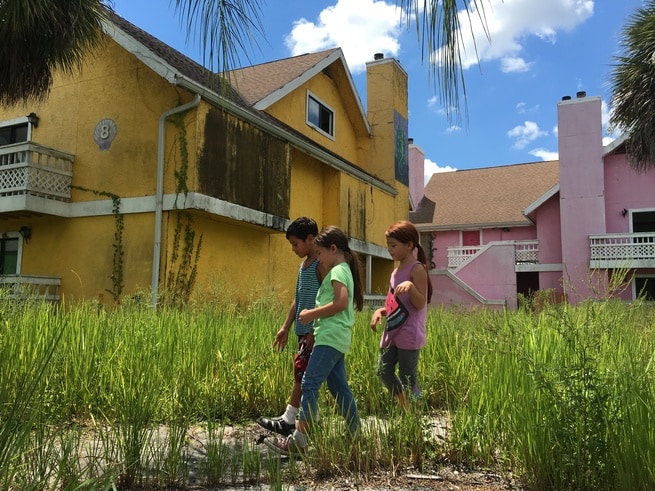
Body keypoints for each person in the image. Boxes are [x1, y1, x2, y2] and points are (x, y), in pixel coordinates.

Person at [265, 225, 364, 455]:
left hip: (330, 336)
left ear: (333, 249)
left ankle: (298, 441)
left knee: (309, 383)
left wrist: (311, 314)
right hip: (335, 336)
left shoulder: (338, 271)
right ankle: (355, 434)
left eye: (320, 253)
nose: (318, 258)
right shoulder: (343, 270)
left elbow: (340, 303)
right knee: (338, 386)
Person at [256, 217, 326, 436]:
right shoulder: (302, 266)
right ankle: (312, 420)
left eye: (296, 244)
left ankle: (289, 419)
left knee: (303, 375)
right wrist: (286, 327)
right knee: (306, 375)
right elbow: (297, 300)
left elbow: (326, 299)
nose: (293, 249)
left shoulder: (320, 266)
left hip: (314, 332)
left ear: (311, 239)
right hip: (301, 331)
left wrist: (316, 330)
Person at [370, 220, 432, 409]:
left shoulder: (417, 269)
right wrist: (380, 311)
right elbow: (392, 302)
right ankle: (405, 406)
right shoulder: (395, 272)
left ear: (409, 245)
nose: (390, 249)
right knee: (383, 370)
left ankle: (413, 416)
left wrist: (411, 287)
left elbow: (421, 303)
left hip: (409, 332)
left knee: (408, 377)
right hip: (393, 330)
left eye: (393, 245)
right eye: (388, 245)